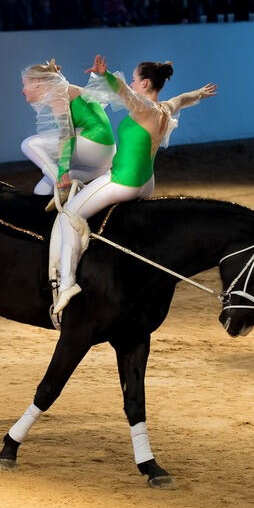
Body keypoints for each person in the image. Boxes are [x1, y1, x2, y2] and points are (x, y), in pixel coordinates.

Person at [52, 55, 216, 322]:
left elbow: (124, 93)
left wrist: (105, 75)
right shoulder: (165, 108)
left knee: (68, 215)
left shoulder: (145, 109)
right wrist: (199, 93)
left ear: (145, 83)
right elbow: (183, 98)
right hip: (146, 183)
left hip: (125, 182)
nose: (132, 82)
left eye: (134, 78)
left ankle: (68, 283)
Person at [20, 58, 116, 198]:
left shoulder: (57, 93)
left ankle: (66, 188)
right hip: (104, 157)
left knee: (28, 144)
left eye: (25, 84)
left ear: (37, 82)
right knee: (41, 190)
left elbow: (66, 133)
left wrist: (62, 171)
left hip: (96, 145)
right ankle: (69, 191)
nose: (23, 90)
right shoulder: (65, 89)